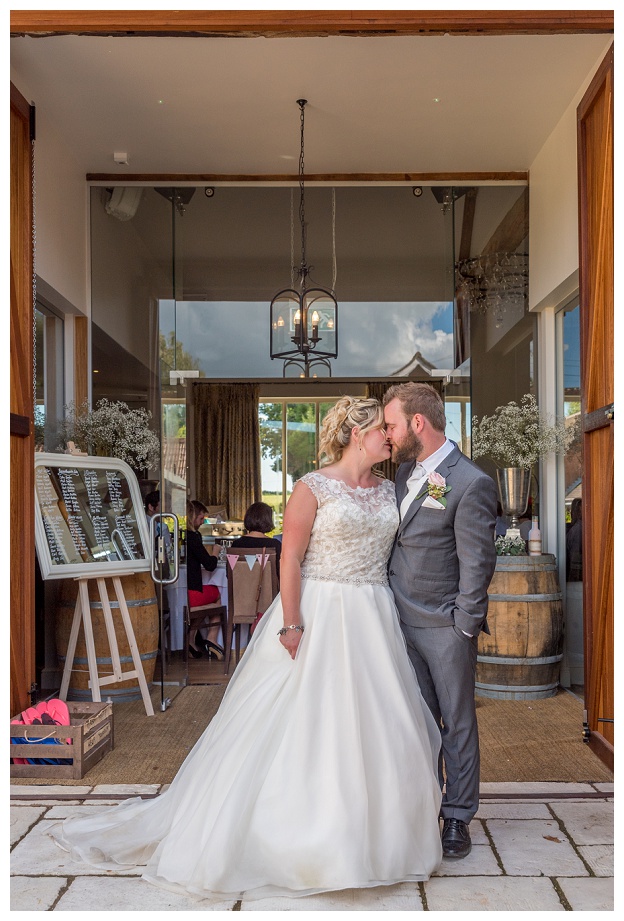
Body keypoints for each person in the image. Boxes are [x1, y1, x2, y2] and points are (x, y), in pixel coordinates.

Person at [50, 396, 442, 900]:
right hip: (320, 609)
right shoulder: (311, 487)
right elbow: (291, 560)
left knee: (380, 722)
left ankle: (381, 837)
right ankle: (299, 839)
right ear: (353, 433)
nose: (389, 437)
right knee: (306, 721)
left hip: (374, 613)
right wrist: (293, 622)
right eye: (380, 431)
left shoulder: (393, 489)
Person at [383, 382, 497, 860]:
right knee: (419, 722)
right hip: (398, 622)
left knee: (457, 724)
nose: (386, 435)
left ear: (417, 423)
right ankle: (426, 805)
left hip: (446, 627)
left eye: (390, 425)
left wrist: (464, 625)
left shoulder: (470, 481)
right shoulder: (405, 472)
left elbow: (477, 564)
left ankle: (457, 817)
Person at [186, 499, 223, 660]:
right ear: (192, 517)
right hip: (191, 594)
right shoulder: (193, 536)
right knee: (219, 594)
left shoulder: (181, 535)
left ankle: (191, 639)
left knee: (206, 602)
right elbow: (209, 565)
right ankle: (211, 638)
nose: (202, 523)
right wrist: (215, 552)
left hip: (183, 593)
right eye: (201, 519)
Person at [231, 501, 282, 579]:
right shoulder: (275, 545)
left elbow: (230, 575)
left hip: (241, 590)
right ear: (268, 520)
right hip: (269, 590)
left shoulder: (236, 544)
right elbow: (280, 574)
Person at [566, 497, 582, 582]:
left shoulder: (576, 528)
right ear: (578, 512)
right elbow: (574, 557)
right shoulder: (578, 530)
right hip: (577, 572)